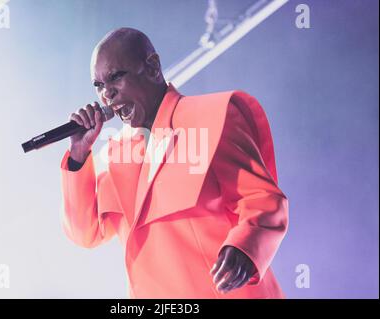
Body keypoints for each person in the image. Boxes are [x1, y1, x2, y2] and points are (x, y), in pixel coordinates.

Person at [60, 27, 289, 298]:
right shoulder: (115, 154)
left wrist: (245, 247)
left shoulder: (210, 116)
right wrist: (78, 154)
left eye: (116, 77)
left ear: (153, 67)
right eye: (99, 86)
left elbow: (262, 199)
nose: (106, 94)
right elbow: (85, 233)